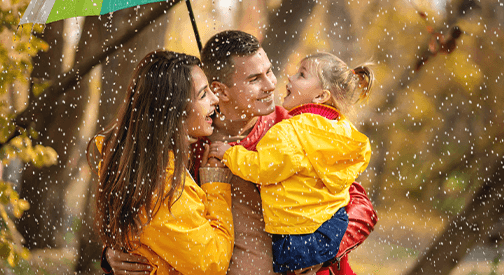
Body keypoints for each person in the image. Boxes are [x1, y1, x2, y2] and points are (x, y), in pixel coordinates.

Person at [104, 31, 377, 275]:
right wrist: (113, 254)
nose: (271, 84)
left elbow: (361, 207)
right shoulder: (191, 146)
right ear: (219, 90)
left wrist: (319, 251)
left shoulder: (294, 129)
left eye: (269, 71)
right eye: (254, 79)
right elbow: (143, 207)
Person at [208, 52, 373, 274]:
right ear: (221, 90)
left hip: (296, 236)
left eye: (301, 74)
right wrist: (327, 245)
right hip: (332, 226)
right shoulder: (340, 131)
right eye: (254, 79)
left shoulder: (289, 131)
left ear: (320, 96)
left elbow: (262, 167)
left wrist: (230, 154)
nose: (286, 78)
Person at [90, 50, 234, 275]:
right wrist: (216, 184)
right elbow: (211, 263)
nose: (215, 99)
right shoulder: (165, 183)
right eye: (203, 94)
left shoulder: (138, 161)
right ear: (175, 110)